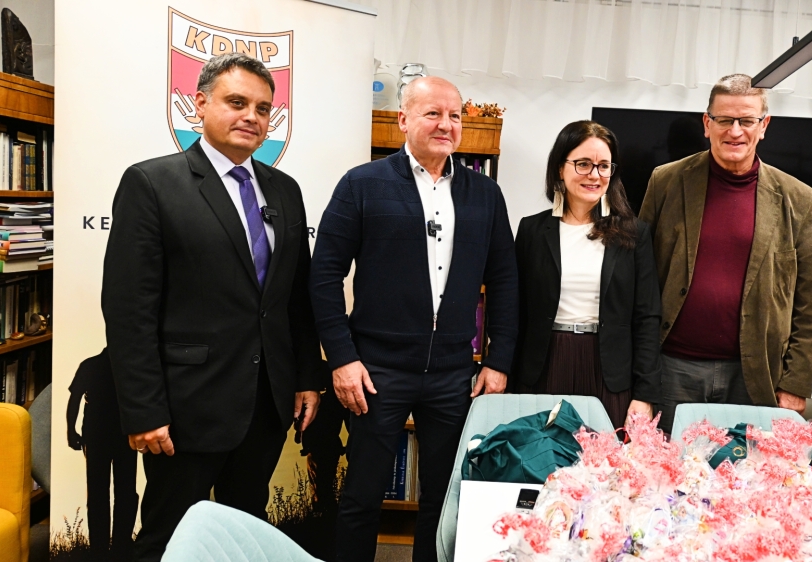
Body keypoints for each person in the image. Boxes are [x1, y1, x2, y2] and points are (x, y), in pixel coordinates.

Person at [101, 52, 324, 562]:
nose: (252, 117)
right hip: (185, 410)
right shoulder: (152, 183)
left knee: (245, 537)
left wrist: (307, 377)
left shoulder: (285, 190)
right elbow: (129, 309)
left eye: (263, 108)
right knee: (168, 539)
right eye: (237, 102)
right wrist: (143, 410)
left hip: (266, 405)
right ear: (200, 104)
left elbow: (295, 299)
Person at [310, 75, 518, 562]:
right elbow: (324, 276)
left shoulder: (485, 194)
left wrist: (498, 360)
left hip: (454, 373)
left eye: (455, 116)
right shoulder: (362, 184)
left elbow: (506, 280)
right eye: (433, 113)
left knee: (444, 500)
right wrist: (341, 358)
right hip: (375, 372)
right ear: (403, 120)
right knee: (362, 495)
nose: (446, 124)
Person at [639, 73, 812, 434]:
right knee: (665, 467)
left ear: (764, 125)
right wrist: (641, 373)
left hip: (755, 374)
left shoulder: (801, 200)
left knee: (746, 468)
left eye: (746, 120)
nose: (735, 131)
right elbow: (640, 280)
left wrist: (796, 382)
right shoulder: (665, 182)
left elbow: (810, 303)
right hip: (671, 370)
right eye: (724, 120)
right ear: (706, 124)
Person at [513, 120, 662, 429]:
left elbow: (647, 318)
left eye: (603, 166)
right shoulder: (531, 230)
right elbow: (516, 312)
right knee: (544, 453)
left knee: (605, 456)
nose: (594, 175)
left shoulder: (634, 234)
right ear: (560, 168)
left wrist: (645, 394)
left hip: (609, 371)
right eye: (583, 164)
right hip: (545, 364)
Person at [66, 348, 138, 561]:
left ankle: (101, 548)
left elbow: (75, 400)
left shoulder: (90, 365)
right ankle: (119, 547)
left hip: (101, 435)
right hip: (121, 434)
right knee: (124, 492)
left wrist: (71, 431)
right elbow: (75, 399)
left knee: (100, 493)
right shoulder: (128, 366)